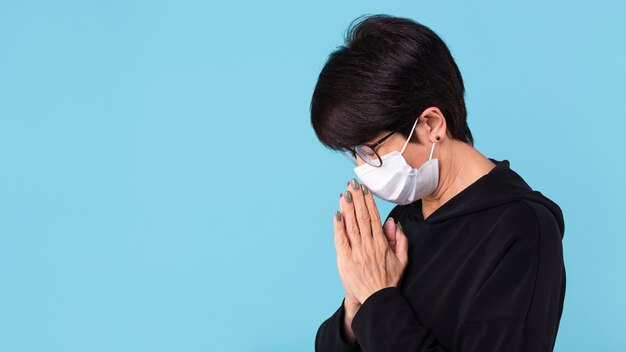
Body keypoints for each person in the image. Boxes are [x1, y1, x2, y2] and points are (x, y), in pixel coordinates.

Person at [310, 14, 566, 351]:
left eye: (370, 150)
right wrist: (354, 307)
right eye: (352, 154)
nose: (363, 170)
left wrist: (377, 298)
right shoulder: (405, 216)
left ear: (431, 124)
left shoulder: (522, 230)